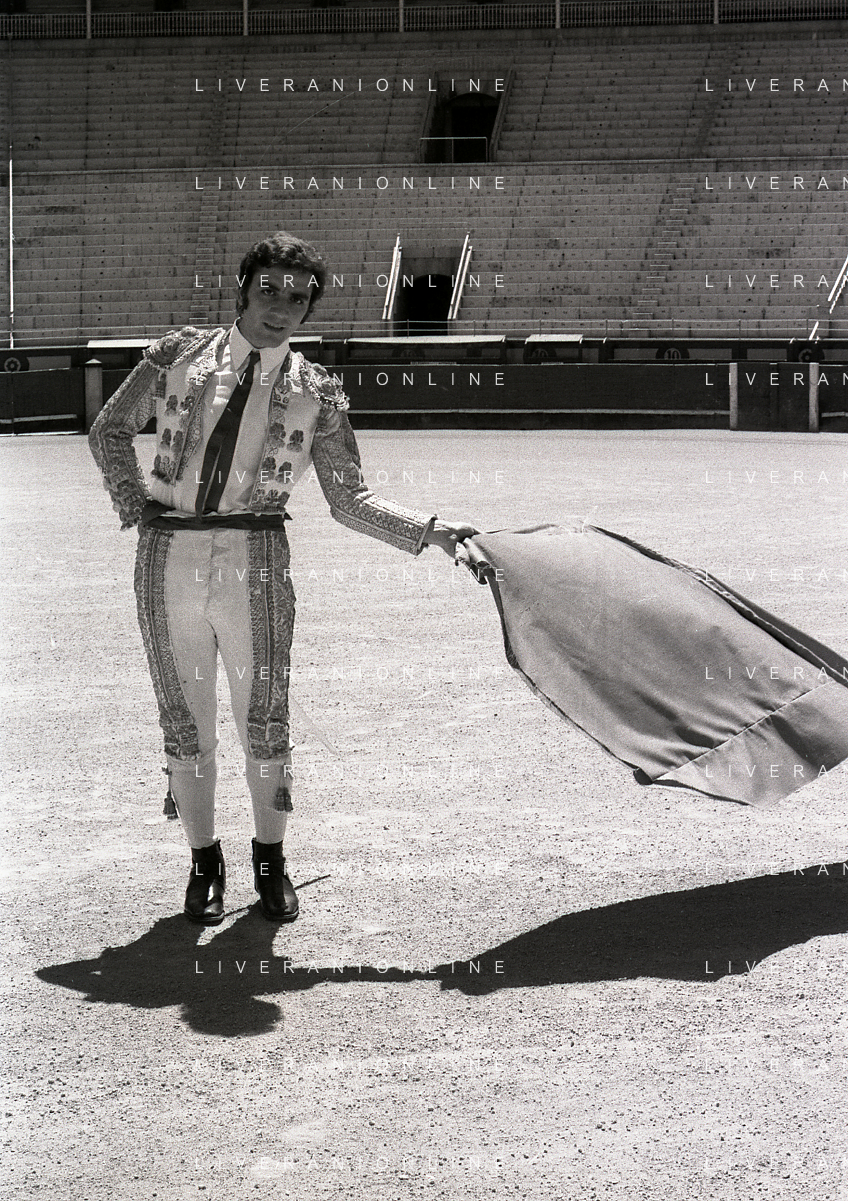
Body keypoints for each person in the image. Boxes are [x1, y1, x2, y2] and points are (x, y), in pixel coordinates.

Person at [89, 230, 477, 926]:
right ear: (242, 290)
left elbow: (349, 499)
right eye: (268, 289)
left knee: (263, 721)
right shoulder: (178, 355)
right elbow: (111, 427)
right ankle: (204, 861)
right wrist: (133, 500)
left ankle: (270, 859)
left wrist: (434, 531)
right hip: (168, 556)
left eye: (298, 298)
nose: (281, 306)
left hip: (257, 563)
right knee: (186, 719)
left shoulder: (316, 392)